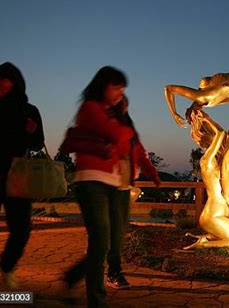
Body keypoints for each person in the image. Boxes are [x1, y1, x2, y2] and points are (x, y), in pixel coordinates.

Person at [63, 68, 159, 306]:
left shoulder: (118, 119)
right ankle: (97, 298)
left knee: (111, 239)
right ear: (103, 85)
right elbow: (114, 134)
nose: (120, 96)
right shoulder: (91, 108)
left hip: (118, 184)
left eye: (123, 92)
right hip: (92, 179)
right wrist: (124, 132)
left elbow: (136, 149)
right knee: (100, 241)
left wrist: (151, 171)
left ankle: (78, 276)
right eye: (117, 88)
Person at [0, 62, 44, 291]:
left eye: (4, 79)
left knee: (21, 229)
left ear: (15, 82)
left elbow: (38, 143)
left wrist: (31, 132)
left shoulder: (28, 110)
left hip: (16, 176)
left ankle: (7, 265)